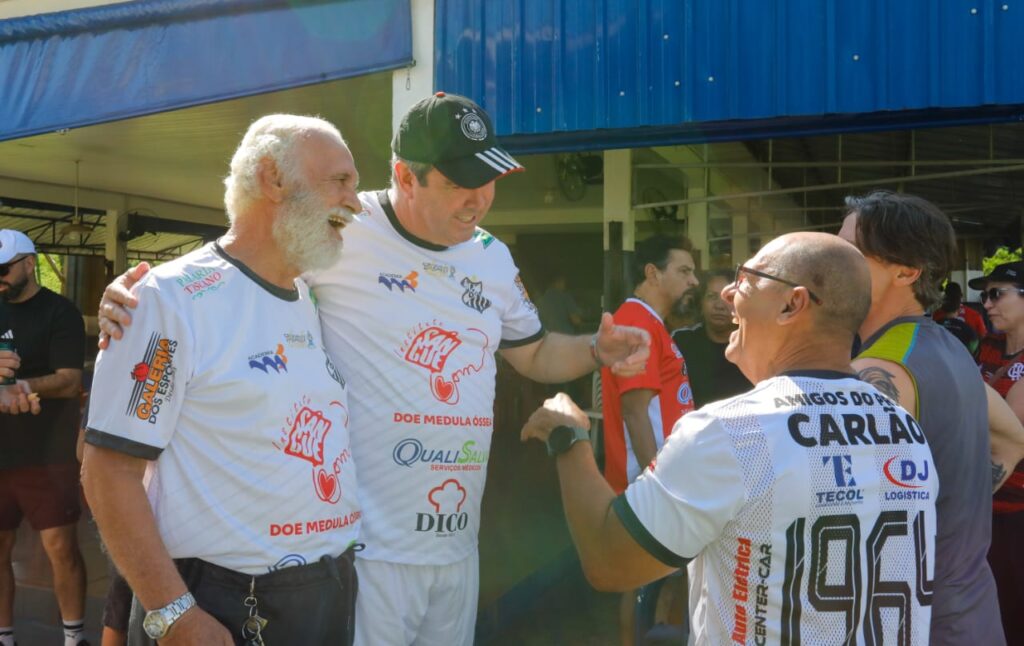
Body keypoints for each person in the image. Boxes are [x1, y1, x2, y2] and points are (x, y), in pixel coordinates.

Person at [95, 94, 651, 646]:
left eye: (489, 179)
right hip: (360, 556)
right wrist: (140, 300)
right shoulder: (334, 235)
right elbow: (240, 265)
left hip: (432, 552)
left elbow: (535, 353)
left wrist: (596, 350)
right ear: (406, 178)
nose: (479, 199)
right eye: (460, 182)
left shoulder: (488, 257)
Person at [520, 232, 938, 644]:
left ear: (792, 304)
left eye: (747, 279)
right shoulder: (903, 425)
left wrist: (568, 434)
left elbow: (609, 562)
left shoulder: (733, 432)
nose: (725, 294)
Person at [82, 115, 365, 645]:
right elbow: (108, 473)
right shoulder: (168, 298)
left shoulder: (309, 295)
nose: (356, 200)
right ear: (272, 179)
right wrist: (176, 617)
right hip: (222, 606)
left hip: (324, 595)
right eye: (342, 181)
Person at [839, 190, 1013, 644]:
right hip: (971, 609)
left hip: (918, 624)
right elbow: (1012, 439)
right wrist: (953, 503)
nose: (832, 264)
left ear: (906, 271)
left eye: (849, 253)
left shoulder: (874, 373)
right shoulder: (946, 344)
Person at [600, 234, 698, 646]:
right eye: (684, 271)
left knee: (655, 582)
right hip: (649, 483)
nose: (694, 281)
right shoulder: (636, 322)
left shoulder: (652, 323)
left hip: (660, 478)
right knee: (641, 583)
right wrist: (659, 485)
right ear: (652, 273)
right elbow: (635, 412)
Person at [0, 229, 88, 646]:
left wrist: (20, 388)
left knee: (60, 547)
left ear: (29, 264)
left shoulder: (60, 312)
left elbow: (71, 382)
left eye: (3, 269)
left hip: (47, 451)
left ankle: (74, 638)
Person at [970, 261, 1024, 638]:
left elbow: (1007, 432)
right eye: (984, 295)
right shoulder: (987, 346)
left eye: (996, 294)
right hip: (982, 507)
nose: (986, 303)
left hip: (1016, 511)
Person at [671, 269, 750, 408]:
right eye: (712, 296)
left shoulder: (753, 344)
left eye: (729, 298)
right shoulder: (681, 341)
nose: (719, 306)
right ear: (701, 303)